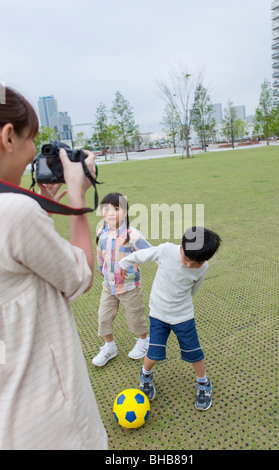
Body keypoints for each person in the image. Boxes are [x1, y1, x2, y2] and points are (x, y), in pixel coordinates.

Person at [0, 87, 107, 450]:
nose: (35, 153)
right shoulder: (14, 212)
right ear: (8, 137)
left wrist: (39, 210)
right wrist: (77, 197)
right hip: (48, 420)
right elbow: (81, 277)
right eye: (32, 139)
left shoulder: (18, 211)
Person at [119, 227, 221, 411]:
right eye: (187, 259)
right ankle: (146, 375)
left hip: (183, 316)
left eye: (196, 263)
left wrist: (182, 305)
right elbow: (142, 255)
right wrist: (123, 264)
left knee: (194, 353)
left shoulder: (203, 267)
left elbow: (193, 290)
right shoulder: (166, 251)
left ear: (205, 260)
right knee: (154, 354)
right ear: (182, 247)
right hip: (158, 314)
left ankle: (203, 382)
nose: (190, 266)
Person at [92, 192, 151, 367]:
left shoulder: (132, 234)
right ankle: (109, 347)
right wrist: (100, 267)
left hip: (129, 286)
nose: (111, 213)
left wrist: (168, 257)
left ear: (125, 212)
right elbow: (100, 253)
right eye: (107, 208)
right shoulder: (101, 232)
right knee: (104, 317)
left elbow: (149, 252)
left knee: (135, 317)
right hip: (108, 285)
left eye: (116, 209)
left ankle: (144, 342)